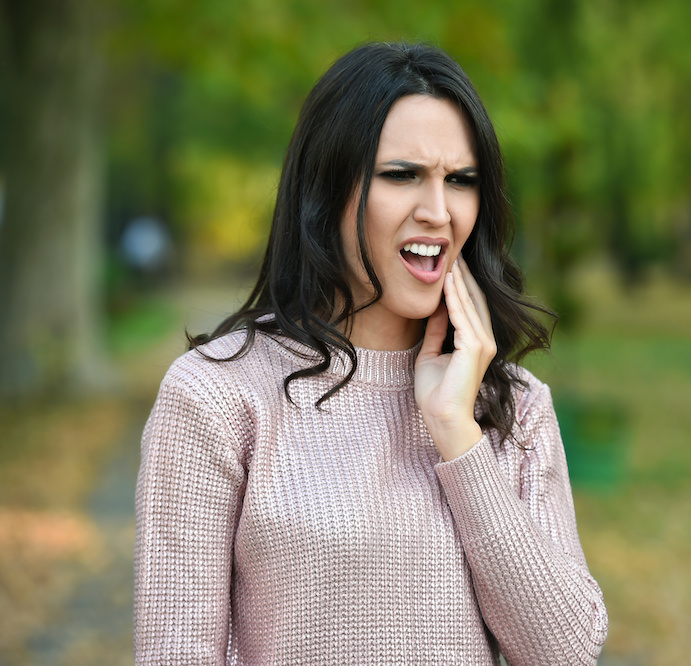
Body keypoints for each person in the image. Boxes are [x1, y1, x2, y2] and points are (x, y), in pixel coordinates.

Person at [134, 41, 608, 665]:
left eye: (460, 181)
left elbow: (566, 652)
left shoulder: (513, 408)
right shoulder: (217, 398)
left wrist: (456, 434)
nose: (438, 212)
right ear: (326, 190)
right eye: (402, 175)